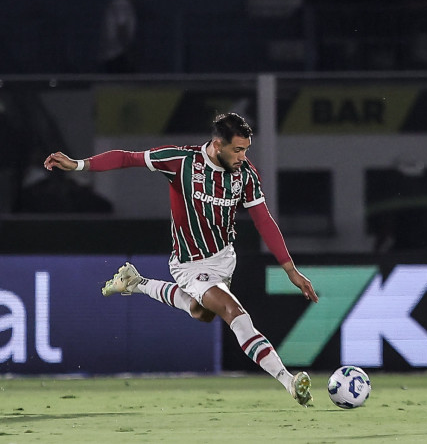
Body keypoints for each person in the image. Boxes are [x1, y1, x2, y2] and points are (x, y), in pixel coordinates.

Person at [44, 112, 319, 406]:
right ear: (217, 144)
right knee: (233, 312)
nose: (242, 156)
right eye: (237, 149)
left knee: (201, 312)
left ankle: (136, 283)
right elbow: (128, 158)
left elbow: (264, 220)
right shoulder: (181, 162)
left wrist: (291, 270)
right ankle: (288, 381)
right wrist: (79, 165)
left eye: (246, 149)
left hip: (225, 259)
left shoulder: (245, 175)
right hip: (190, 264)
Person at [99, 0, 139, 73]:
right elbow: (121, 27)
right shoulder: (121, 3)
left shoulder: (125, 3)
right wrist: (128, 51)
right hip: (116, 54)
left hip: (118, 53)